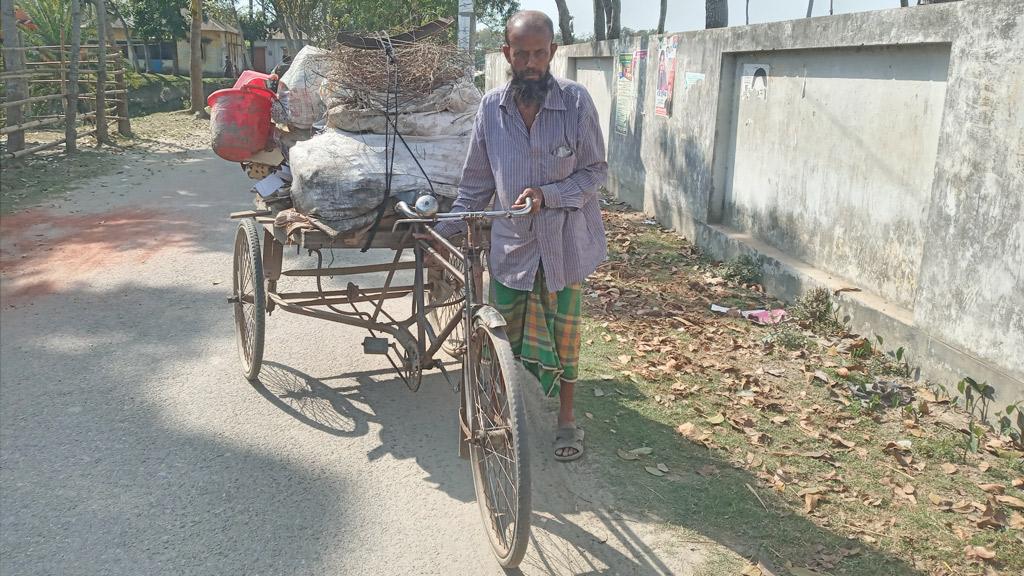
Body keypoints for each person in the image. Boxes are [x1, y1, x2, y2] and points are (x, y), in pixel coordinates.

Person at [431, 10, 608, 461]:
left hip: (564, 247)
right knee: (499, 337)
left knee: (566, 338)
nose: (531, 62)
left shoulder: (576, 102)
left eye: (539, 53)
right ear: (507, 53)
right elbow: (475, 184)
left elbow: (595, 171)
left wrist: (549, 195)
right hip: (511, 250)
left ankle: (566, 420)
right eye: (522, 53)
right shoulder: (491, 108)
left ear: (552, 52)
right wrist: (441, 232)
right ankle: (496, 410)